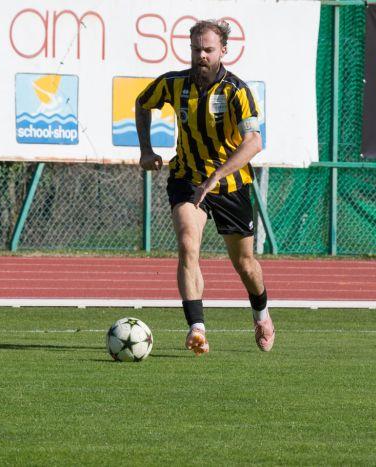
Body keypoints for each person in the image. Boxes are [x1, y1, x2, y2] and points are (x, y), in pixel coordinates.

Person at [135, 19, 274, 356]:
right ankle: (197, 329)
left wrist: (216, 177)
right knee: (188, 244)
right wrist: (146, 150)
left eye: (208, 50)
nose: (201, 56)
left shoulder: (237, 91)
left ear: (223, 50)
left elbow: (254, 142)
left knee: (245, 264)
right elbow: (142, 102)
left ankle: (261, 314)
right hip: (187, 180)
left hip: (230, 186)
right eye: (196, 49)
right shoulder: (173, 83)